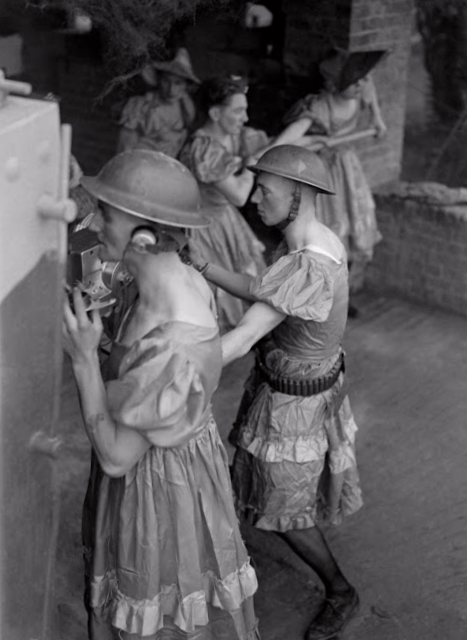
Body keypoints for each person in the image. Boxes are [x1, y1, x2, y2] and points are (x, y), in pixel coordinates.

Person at [62, 149, 259, 640]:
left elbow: (114, 458)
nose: (95, 220)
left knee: (157, 610)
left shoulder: (173, 348)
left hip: (157, 490)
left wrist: (84, 359)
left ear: (144, 237)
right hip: (164, 461)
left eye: (105, 213)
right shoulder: (161, 272)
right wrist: (71, 197)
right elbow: (92, 265)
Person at [190, 145, 363, 640]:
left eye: (266, 191)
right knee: (265, 487)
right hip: (296, 386)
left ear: (300, 194)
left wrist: (169, 366)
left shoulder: (308, 263)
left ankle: (340, 590)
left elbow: (244, 337)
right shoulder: (312, 242)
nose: (255, 199)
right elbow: (266, 291)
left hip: (293, 407)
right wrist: (206, 268)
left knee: (286, 511)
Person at [269, 48, 388, 311]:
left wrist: (378, 119)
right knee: (328, 231)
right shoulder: (321, 106)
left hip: (348, 168)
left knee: (356, 224)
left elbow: (371, 93)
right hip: (324, 173)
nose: (361, 85)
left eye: (362, 80)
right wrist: (280, 148)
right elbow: (288, 138)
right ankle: (318, 293)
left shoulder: (359, 91)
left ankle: (341, 293)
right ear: (336, 82)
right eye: (354, 81)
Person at [180, 76, 268, 333]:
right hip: (205, 226)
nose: (246, 117)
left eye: (245, 109)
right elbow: (240, 196)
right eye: (238, 110)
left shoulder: (232, 135)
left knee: (242, 278)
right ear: (215, 113)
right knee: (214, 291)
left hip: (225, 219)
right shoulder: (203, 148)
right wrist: (252, 165)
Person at [117, 48, 200, 158]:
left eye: (178, 83)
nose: (171, 90)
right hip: (139, 165)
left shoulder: (185, 109)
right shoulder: (141, 105)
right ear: (158, 80)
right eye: (166, 81)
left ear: (186, 86)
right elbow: (125, 146)